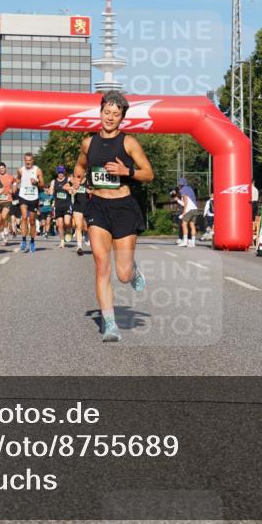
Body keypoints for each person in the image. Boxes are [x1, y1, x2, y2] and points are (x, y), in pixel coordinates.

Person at [71, 91, 153, 343]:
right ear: (100, 113)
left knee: (123, 275)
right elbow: (80, 166)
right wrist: (76, 181)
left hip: (123, 208)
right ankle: (110, 324)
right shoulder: (88, 143)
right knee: (101, 265)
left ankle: (133, 270)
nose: (110, 117)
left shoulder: (129, 143)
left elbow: (149, 173)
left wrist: (125, 170)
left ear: (122, 118)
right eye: (107, 112)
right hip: (97, 208)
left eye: (116, 114)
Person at [16, 152, 43, 253]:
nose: (28, 163)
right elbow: (17, 179)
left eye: (30, 161)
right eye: (26, 161)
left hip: (34, 198)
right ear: (24, 160)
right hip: (23, 196)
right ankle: (23, 240)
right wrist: (15, 184)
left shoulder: (38, 170)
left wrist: (36, 182)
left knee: (32, 221)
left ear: (33, 161)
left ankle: (32, 241)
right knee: (24, 217)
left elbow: (43, 185)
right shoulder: (20, 170)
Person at [67, 170, 91, 255]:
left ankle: (86, 233)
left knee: (85, 227)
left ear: (85, 173)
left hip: (87, 206)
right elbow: (66, 187)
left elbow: (95, 191)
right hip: (77, 206)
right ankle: (79, 246)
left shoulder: (89, 181)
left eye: (81, 173)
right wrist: (71, 190)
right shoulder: (75, 181)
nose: (79, 175)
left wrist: (89, 191)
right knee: (78, 226)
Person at [52, 166, 74, 248]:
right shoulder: (54, 182)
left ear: (64, 173)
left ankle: (68, 230)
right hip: (58, 206)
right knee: (60, 225)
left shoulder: (68, 180)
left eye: (61, 172)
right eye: (59, 173)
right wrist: (50, 191)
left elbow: (73, 187)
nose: (60, 174)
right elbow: (51, 190)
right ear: (57, 173)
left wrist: (71, 190)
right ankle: (62, 241)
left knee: (67, 222)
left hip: (67, 204)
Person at [175, 177, 200, 248]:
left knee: (184, 224)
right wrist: (177, 200)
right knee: (192, 225)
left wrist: (184, 212)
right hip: (195, 209)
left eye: (179, 184)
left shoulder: (183, 190)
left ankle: (185, 242)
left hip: (189, 210)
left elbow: (185, 202)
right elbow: (187, 202)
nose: (178, 185)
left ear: (180, 184)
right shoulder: (190, 189)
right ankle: (193, 242)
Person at [0, 162, 15, 245]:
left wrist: (13, 189)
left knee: (4, 217)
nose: (1, 170)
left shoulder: (10, 177)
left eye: (3, 168)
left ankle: (6, 234)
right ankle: (4, 237)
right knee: (0, 220)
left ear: (5, 168)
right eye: (0, 169)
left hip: (7, 199)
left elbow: (15, 183)